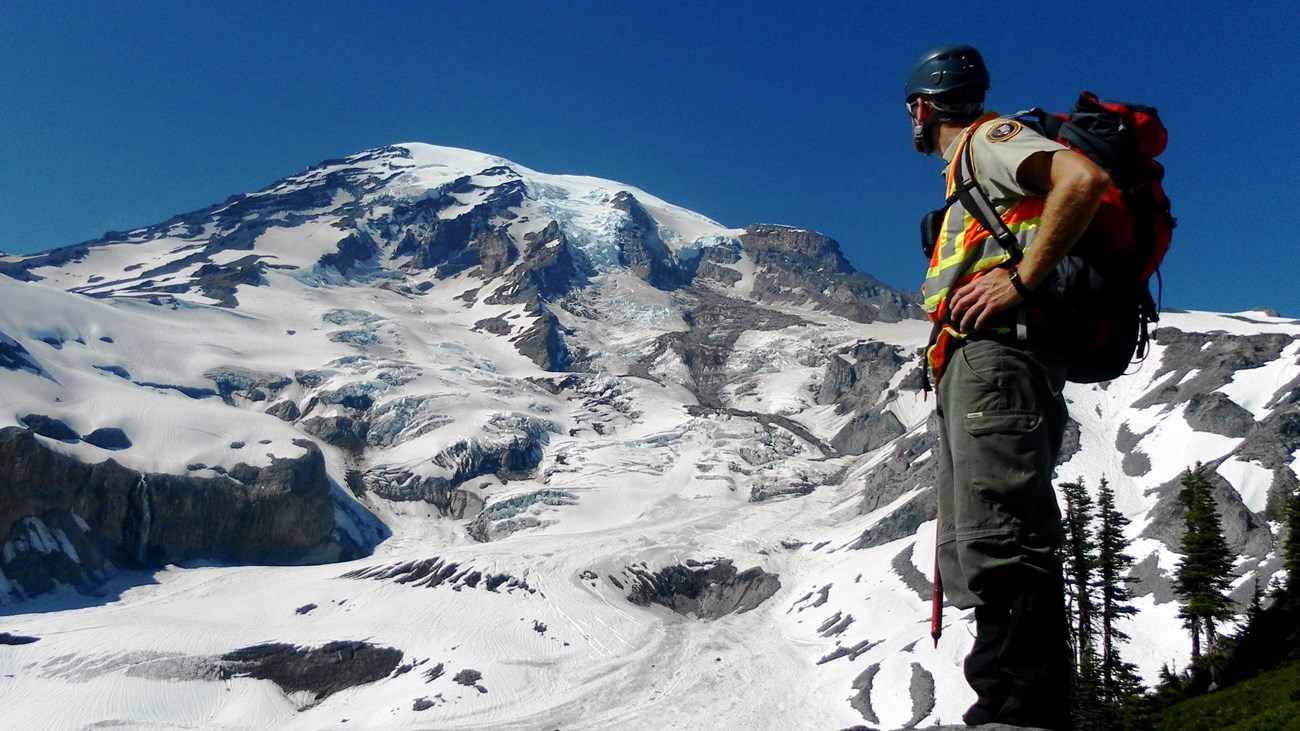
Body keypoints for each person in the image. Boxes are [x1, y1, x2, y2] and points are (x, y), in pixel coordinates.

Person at [904, 45, 1110, 730]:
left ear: (921, 106)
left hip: (1000, 359)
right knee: (980, 539)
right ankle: (1005, 701)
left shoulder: (988, 142)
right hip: (976, 364)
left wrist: (1020, 278)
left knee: (1003, 529)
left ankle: (1023, 709)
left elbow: (1081, 179)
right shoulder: (969, 169)